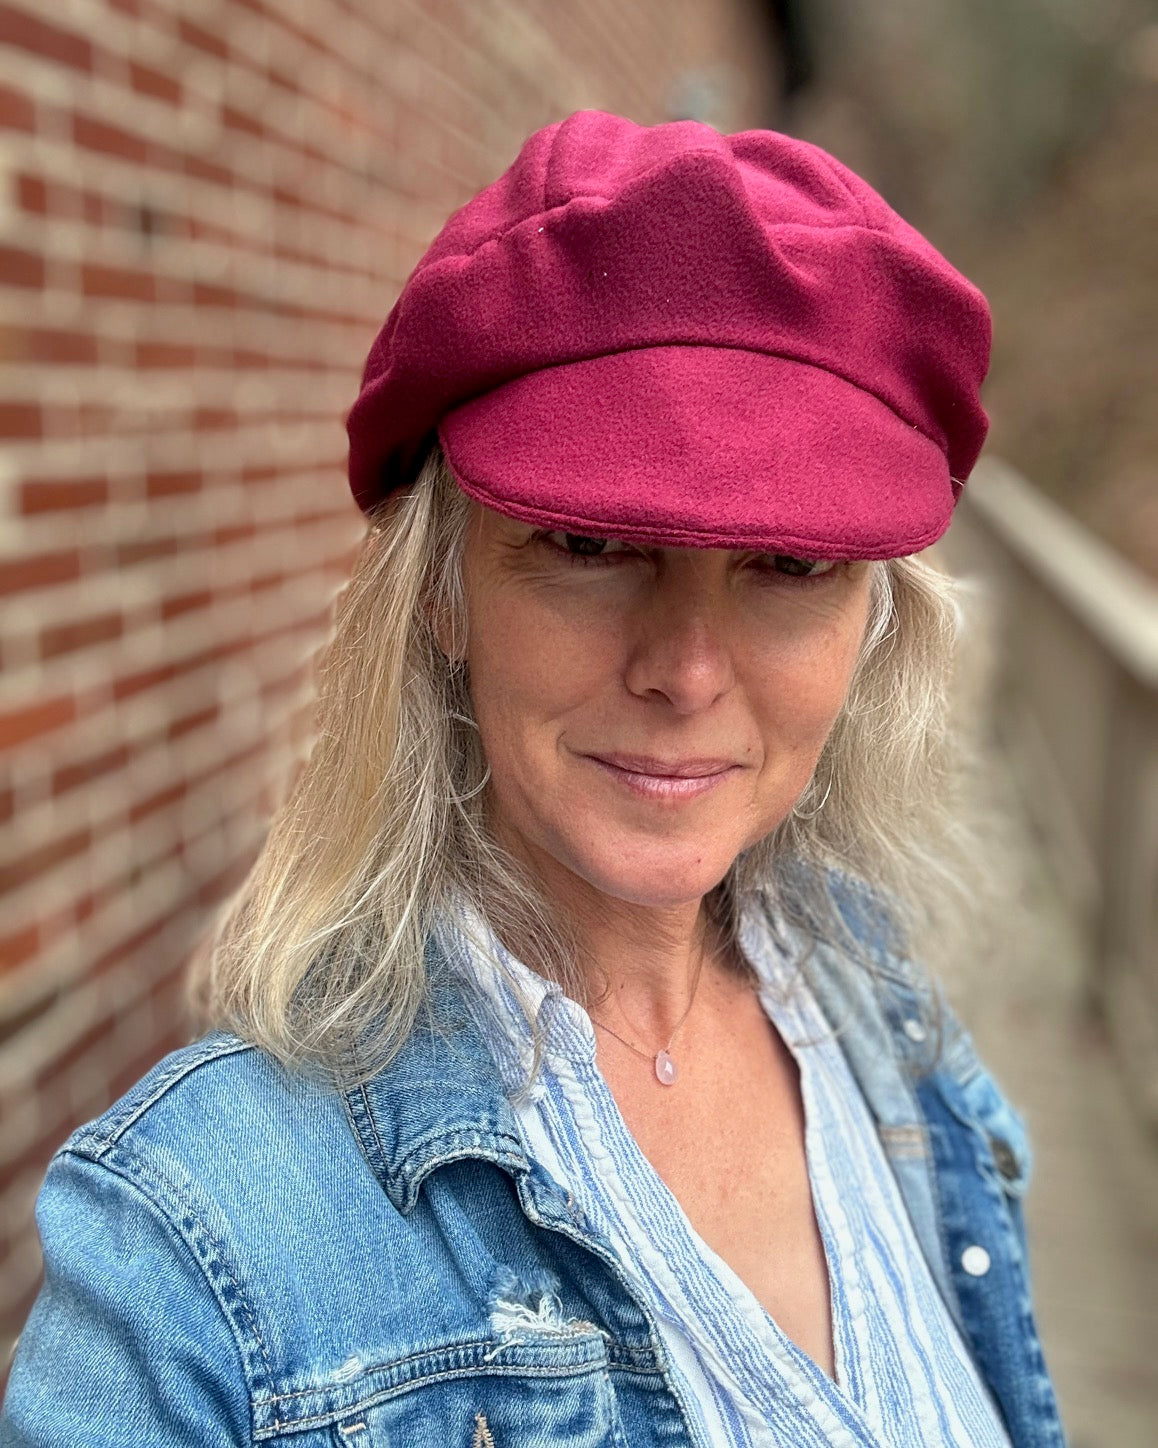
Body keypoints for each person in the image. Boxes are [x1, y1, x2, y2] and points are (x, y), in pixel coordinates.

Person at [0, 109, 1067, 1448]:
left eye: (790, 567)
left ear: (875, 625)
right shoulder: (194, 1262)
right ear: (439, 595)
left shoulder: (880, 1014)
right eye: (585, 542)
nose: (685, 669)